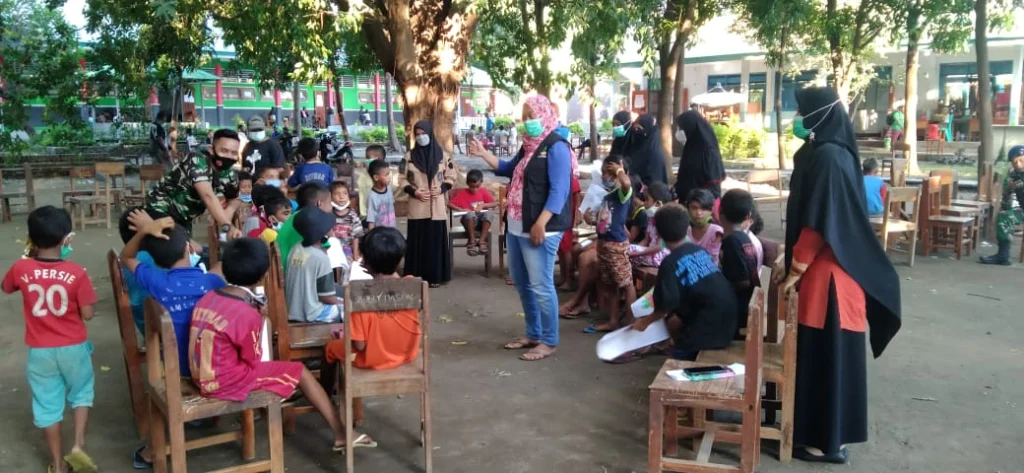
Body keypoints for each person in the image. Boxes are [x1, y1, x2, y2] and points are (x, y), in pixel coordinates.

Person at [784, 86, 901, 463]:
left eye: (802, 112)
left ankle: (826, 443)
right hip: (835, 274)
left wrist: (794, 271)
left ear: (820, 115)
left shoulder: (830, 158)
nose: (797, 119)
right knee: (828, 359)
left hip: (828, 280)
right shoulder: (829, 152)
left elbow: (819, 224)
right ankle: (828, 437)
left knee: (826, 360)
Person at [190, 238, 374, 450]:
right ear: (262, 276)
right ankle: (342, 433)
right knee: (300, 371)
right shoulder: (246, 313)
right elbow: (253, 360)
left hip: (201, 374)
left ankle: (302, 395)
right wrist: (260, 322)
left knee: (292, 373)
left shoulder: (209, 297)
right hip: (225, 382)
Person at [468, 94, 575, 361]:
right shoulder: (529, 147)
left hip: (541, 228)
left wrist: (541, 223)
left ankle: (549, 341)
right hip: (517, 225)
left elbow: (560, 191)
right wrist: (483, 154)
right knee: (523, 283)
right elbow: (507, 168)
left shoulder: (557, 147)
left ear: (546, 114)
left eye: (533, 115)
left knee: (541, 285)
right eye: (525, 117)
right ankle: (533, 333)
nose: (529, 122)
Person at [3, 206, 99, 473]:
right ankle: (78, 446)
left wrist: (27, 257)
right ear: (66, 239)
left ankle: (57, 466)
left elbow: (6, 286)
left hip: (41, 353)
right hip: (74, 349)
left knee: (47, 406)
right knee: (81, 394)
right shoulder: (77, 273)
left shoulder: (21, 268)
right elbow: (89, 315)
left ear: (30, 239)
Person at [120, 210, 224, 377]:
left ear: (154, 260)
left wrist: (144, 231)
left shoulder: (156, 281)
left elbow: (125, 257)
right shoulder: (213, 281)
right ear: (189, 248)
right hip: (213, 368)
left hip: (176, 370)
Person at [631, 204, 737, 361]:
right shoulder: (699, 250)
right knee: (674, 321)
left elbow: (665, 306)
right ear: (687, 226)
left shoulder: (670, 263)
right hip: (730, 322)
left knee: (679, 358)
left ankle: (683, 355)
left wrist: (644, 323)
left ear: (659, 233)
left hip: (709, 329)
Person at [324, 227, 421, 370]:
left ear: (364, 262)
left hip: (372, 359)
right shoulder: (412, 284)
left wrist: (346, 334)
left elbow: (360, 345)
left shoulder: (360, 295)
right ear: (401, 258)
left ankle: (326, 391)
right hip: (406, 354)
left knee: (329, 349)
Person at [145, 129, 242, 237]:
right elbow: (208, 196)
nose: (228, 156)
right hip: (160, 210)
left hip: (184, 219)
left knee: (190, 251)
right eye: (224, 151)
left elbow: (236, 198)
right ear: (211, 149)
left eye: (234, 153)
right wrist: (227, 226)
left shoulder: (229, 173)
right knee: (178, 249)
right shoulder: (196, 159)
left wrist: (229, 210)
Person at [399, 120, 456, 287]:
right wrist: (414, 191)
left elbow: (451, 176)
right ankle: (416, 276)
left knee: (435, 243)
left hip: (437, 207)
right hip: (417, 206)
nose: (420, 137)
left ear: (430, 133)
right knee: (417, 242)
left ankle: (435, 277)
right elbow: (401, 179)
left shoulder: (443, 156)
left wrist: (442, 188)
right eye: (417, 134)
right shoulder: (408, 157)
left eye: (423, 133)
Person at [584, 155, 636, 334]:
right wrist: (591, 220)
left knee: (626, 284)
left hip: (616, 245)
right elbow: (605, 221)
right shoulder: (608, 196)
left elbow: (627, 184)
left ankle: (630, 321)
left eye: (610, 173)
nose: (606, 177)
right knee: (611, 285)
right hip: (604, 244)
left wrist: (619, 171)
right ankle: (613, 320)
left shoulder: (623, 193)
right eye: (604, 173)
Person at [718, 189, 765, 335]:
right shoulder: (744, 238)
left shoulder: (732, 242)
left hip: (738, 309)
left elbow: (742, 281)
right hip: (748, 302)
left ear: (719, 211)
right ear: (747, 216)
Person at [286, 208, 344, 323]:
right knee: (346, 308)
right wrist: (342, 303)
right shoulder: (321, 258)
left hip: (293, 311)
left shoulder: (295, 248)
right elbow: (325, 297)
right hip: (312, 313)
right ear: (320, 231)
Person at [674, 110, 726, 215]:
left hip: (701, 209)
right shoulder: (690, 147)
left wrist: (696, 199)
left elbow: (714, 187)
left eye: (682, 128)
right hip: (686, 205)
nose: (679, 131)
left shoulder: (709, 152)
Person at [979, 145, 1024, 265]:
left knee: (1005, 217)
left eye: (1021, 160)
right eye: (1015, 162)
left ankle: (1003, 256)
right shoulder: (1013, 175)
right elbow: (1006, 198)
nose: (1018, 164)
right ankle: (1003, 255)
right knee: (1003, 217)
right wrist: (1008, 189)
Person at [277, 182, 334, 272]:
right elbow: (324, 253)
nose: (331, 207)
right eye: (330, 203)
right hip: (297, 275)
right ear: (319, 203)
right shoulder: (312, 223)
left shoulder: (294, 217)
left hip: (288, 272)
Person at [448, 169, 497, 256]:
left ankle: (482, 240)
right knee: (470, 214)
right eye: (472, 187)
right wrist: (460, 209)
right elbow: (449, 204)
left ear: (481, 183)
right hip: (468, 223)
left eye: (477, 187)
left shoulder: (483, 191)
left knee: (489, 214)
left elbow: (494, 203)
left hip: (481, 223)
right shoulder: (462, 194)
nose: (474, 189)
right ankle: (472, 241)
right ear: (467, 184)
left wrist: (483, 205)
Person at [628, 182, 673, 268]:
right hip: (650, 252)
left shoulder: (666, 221)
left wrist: (635, 253)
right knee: (625, 250)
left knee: (626, 252)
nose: (644, 203)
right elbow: (646, 240)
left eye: (647, 200)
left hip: (661, 257)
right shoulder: (652, 219)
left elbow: (659, 247)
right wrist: (634, 250)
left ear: (658, 203)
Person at [624, 114, 668, 185]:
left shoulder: (654, 152)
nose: (636, 131)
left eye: (638, 129)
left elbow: (654, 178)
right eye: (634, 129)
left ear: (647, 129)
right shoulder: (636, 145)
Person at [685, 188, 724, 264]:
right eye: (694, 208)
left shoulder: (716, 232)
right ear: (688, 209)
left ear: (711, 210)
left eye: (703, 209)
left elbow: (711, 259)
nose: (699, 213)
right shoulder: (685, 230)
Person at [330, 181, 363, 261]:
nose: (341, 197)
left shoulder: (353, 216)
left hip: (347, 250)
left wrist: (355, 253)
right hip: (331, 249)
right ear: (330, 197)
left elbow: (356, 237)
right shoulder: (328, 214)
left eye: (345, 193)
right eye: (337, 194)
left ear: (348, 196)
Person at [366, 159, 397, 230]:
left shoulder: (389, 188)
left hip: (392, 230)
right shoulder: (372, 197)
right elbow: (371, 221)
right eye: (386, 175)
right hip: (380, 233)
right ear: (376, 177)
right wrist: (373, 237)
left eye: (389, 173)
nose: (389, 177)